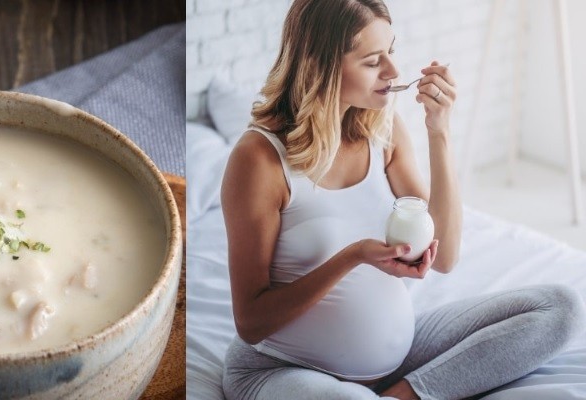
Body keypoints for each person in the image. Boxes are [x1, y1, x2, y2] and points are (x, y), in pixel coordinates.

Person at [220, 0, 586, 399]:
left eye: (391, 51)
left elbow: (444, 257)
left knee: (561, 308)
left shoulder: (382, 129)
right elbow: (251, 322)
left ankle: (404, 395)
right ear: (320, 66)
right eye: (373, 61)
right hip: (283, 368)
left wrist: (439, 131)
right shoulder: (259, 159)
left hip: (402, 356)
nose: (393, 71)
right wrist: (353, 255)